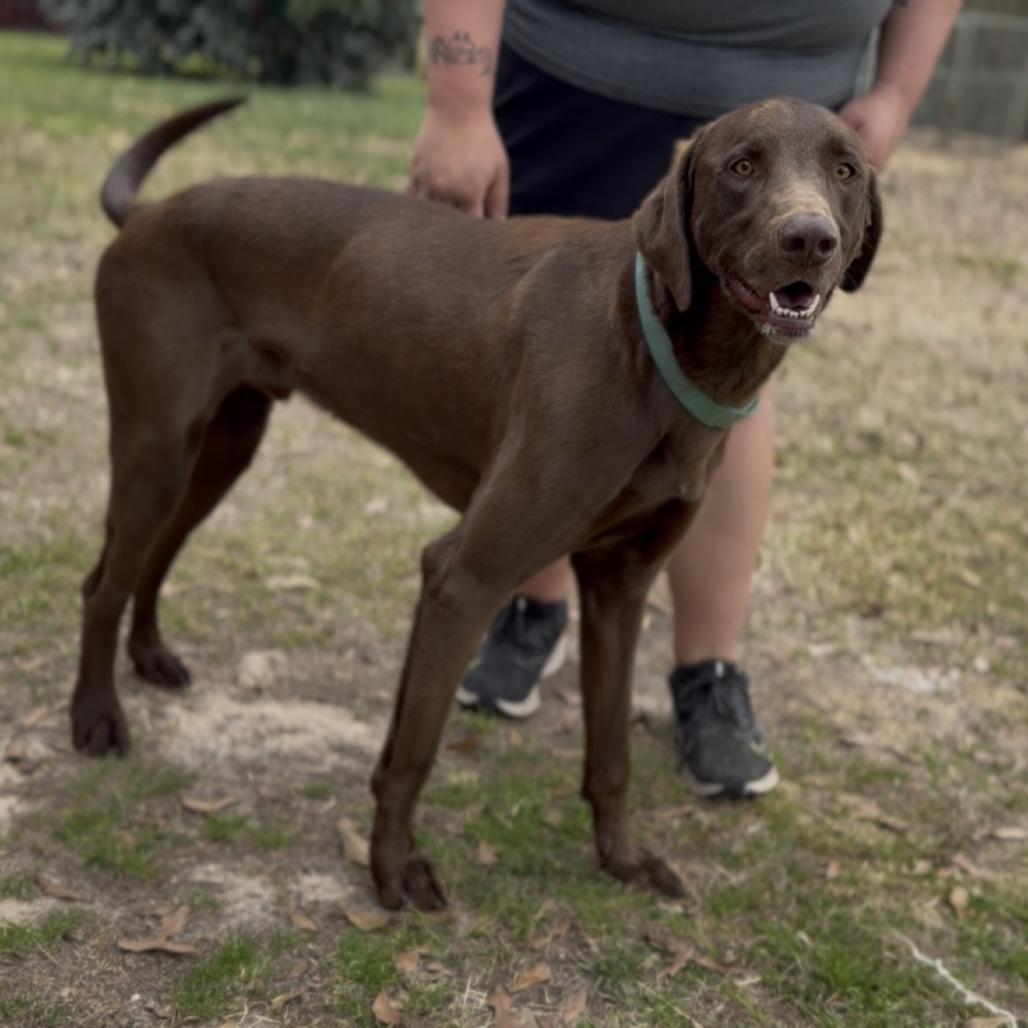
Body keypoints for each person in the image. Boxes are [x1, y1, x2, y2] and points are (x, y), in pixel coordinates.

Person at [408, 0, 961, 797]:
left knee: (724, 370)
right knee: (553, 351)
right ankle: (534, 605)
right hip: (580, 74)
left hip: (800, 83)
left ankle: (709, 672)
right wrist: (457, 100)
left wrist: (897, 94)